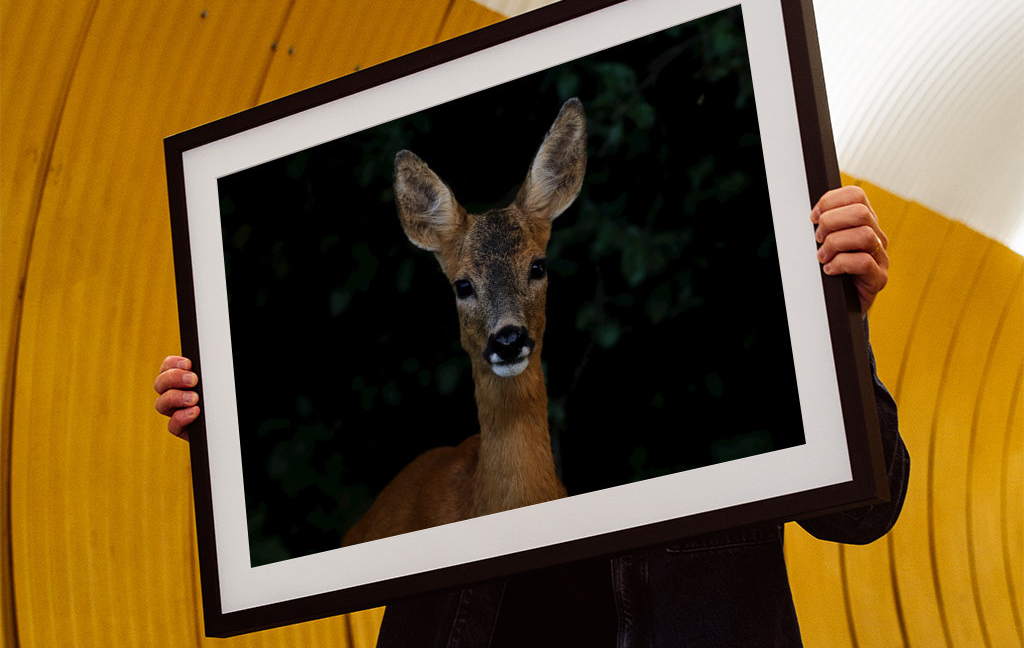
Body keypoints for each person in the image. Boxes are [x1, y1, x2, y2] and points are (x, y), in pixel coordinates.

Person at [154, 186, 909, 646]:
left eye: (533, 278)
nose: (508, 316)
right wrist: (225, 429)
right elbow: (317, 559)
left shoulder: (729, 374)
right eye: (477, 292)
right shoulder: (428, 484)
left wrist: (839, 321)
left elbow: (865, 511)